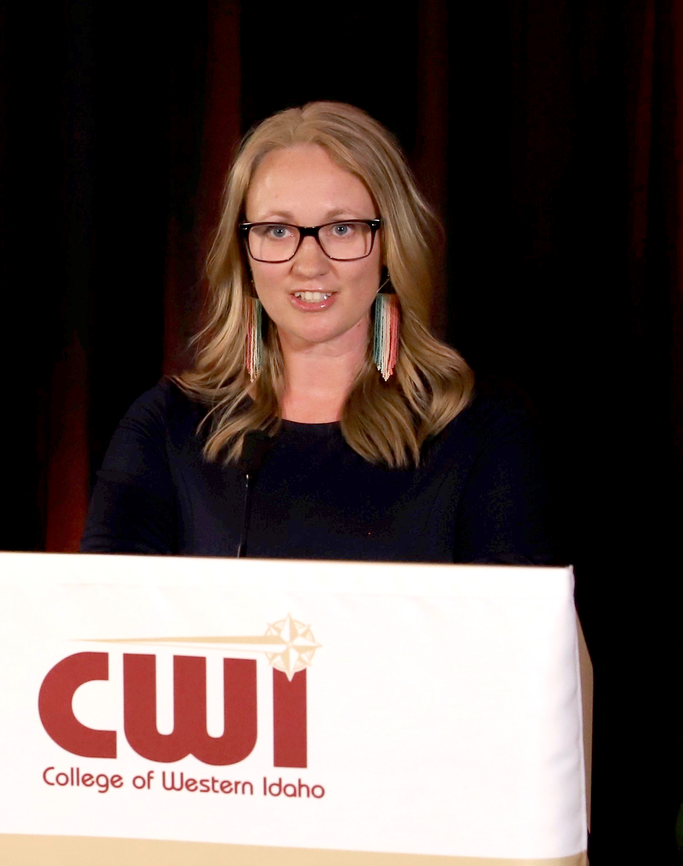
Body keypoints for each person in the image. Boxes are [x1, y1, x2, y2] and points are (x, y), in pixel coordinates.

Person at [80, 102, 556, 564]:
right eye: (277, 231)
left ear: (389, 245)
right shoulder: (166, 428)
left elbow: (512, 615)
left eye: (342, 229)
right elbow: (100, 610)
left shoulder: (482, 430)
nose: (309, 264)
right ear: (243, 252)